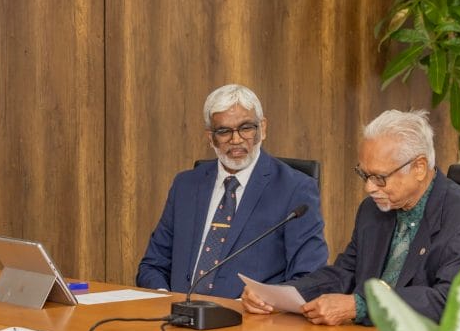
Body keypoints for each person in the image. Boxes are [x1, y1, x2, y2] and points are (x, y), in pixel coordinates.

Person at [242, 109, 460, 325]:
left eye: (379, 177)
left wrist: (361, 306)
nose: (369, 188)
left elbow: (451, 302)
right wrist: (278, 295)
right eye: (364, 175)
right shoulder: (372, 211)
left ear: (419, 167)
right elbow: (345, 273)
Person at [136, 84, 327, 298]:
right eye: (224, 131)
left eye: (246, 128)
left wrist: (260, 303)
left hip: (250, 316)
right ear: (210, 137)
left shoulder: (295, 189)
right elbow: (153, 265)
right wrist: (164, 299)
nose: (236, 140)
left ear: (262, 128)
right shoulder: (185, 185)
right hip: (179, 312)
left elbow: (309, 277)